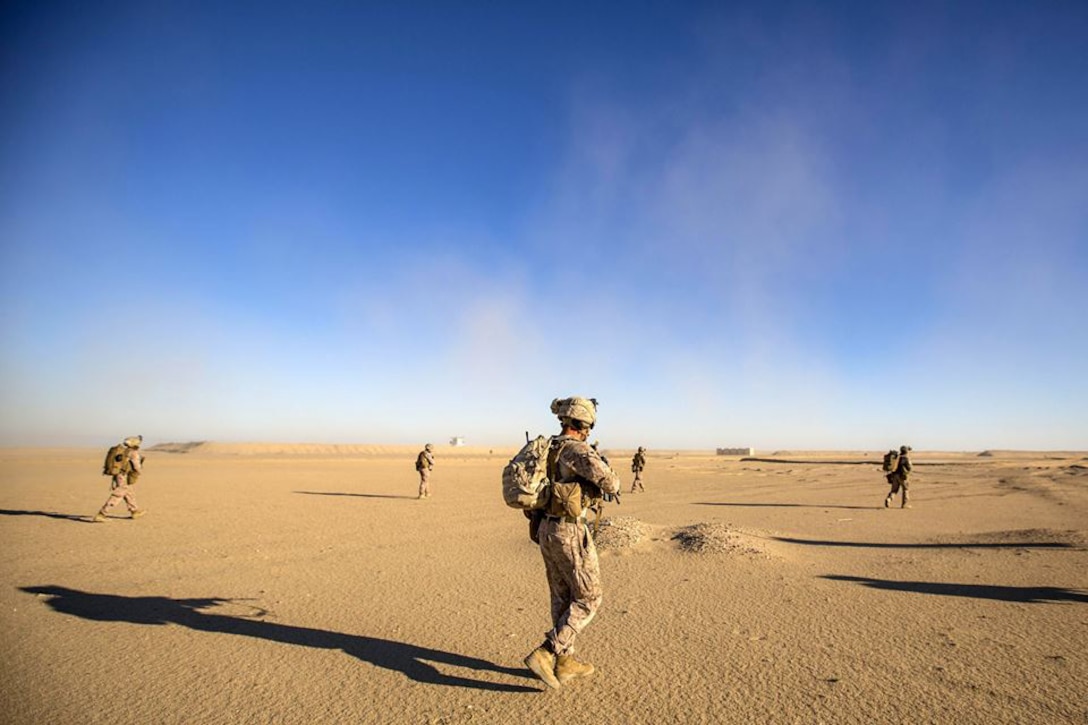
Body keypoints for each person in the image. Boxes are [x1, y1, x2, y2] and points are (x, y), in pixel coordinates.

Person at [524, 396, 621, 690]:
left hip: (545, 529)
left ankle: (565, 662)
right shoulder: (577, 450)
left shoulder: (548, 447)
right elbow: (611, 483)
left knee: (562, 598)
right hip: (569, 531)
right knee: (589, 598)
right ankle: (548, 651)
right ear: (584, 424)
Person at [94, 435, 146, 522]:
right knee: (118, 495)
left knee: (129, 493)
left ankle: (134, 511)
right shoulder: (133, 453)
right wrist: (139, 471)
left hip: (119, 475)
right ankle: (102, 513)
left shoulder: (125, 451)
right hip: (124, 476)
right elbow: (137, 467)